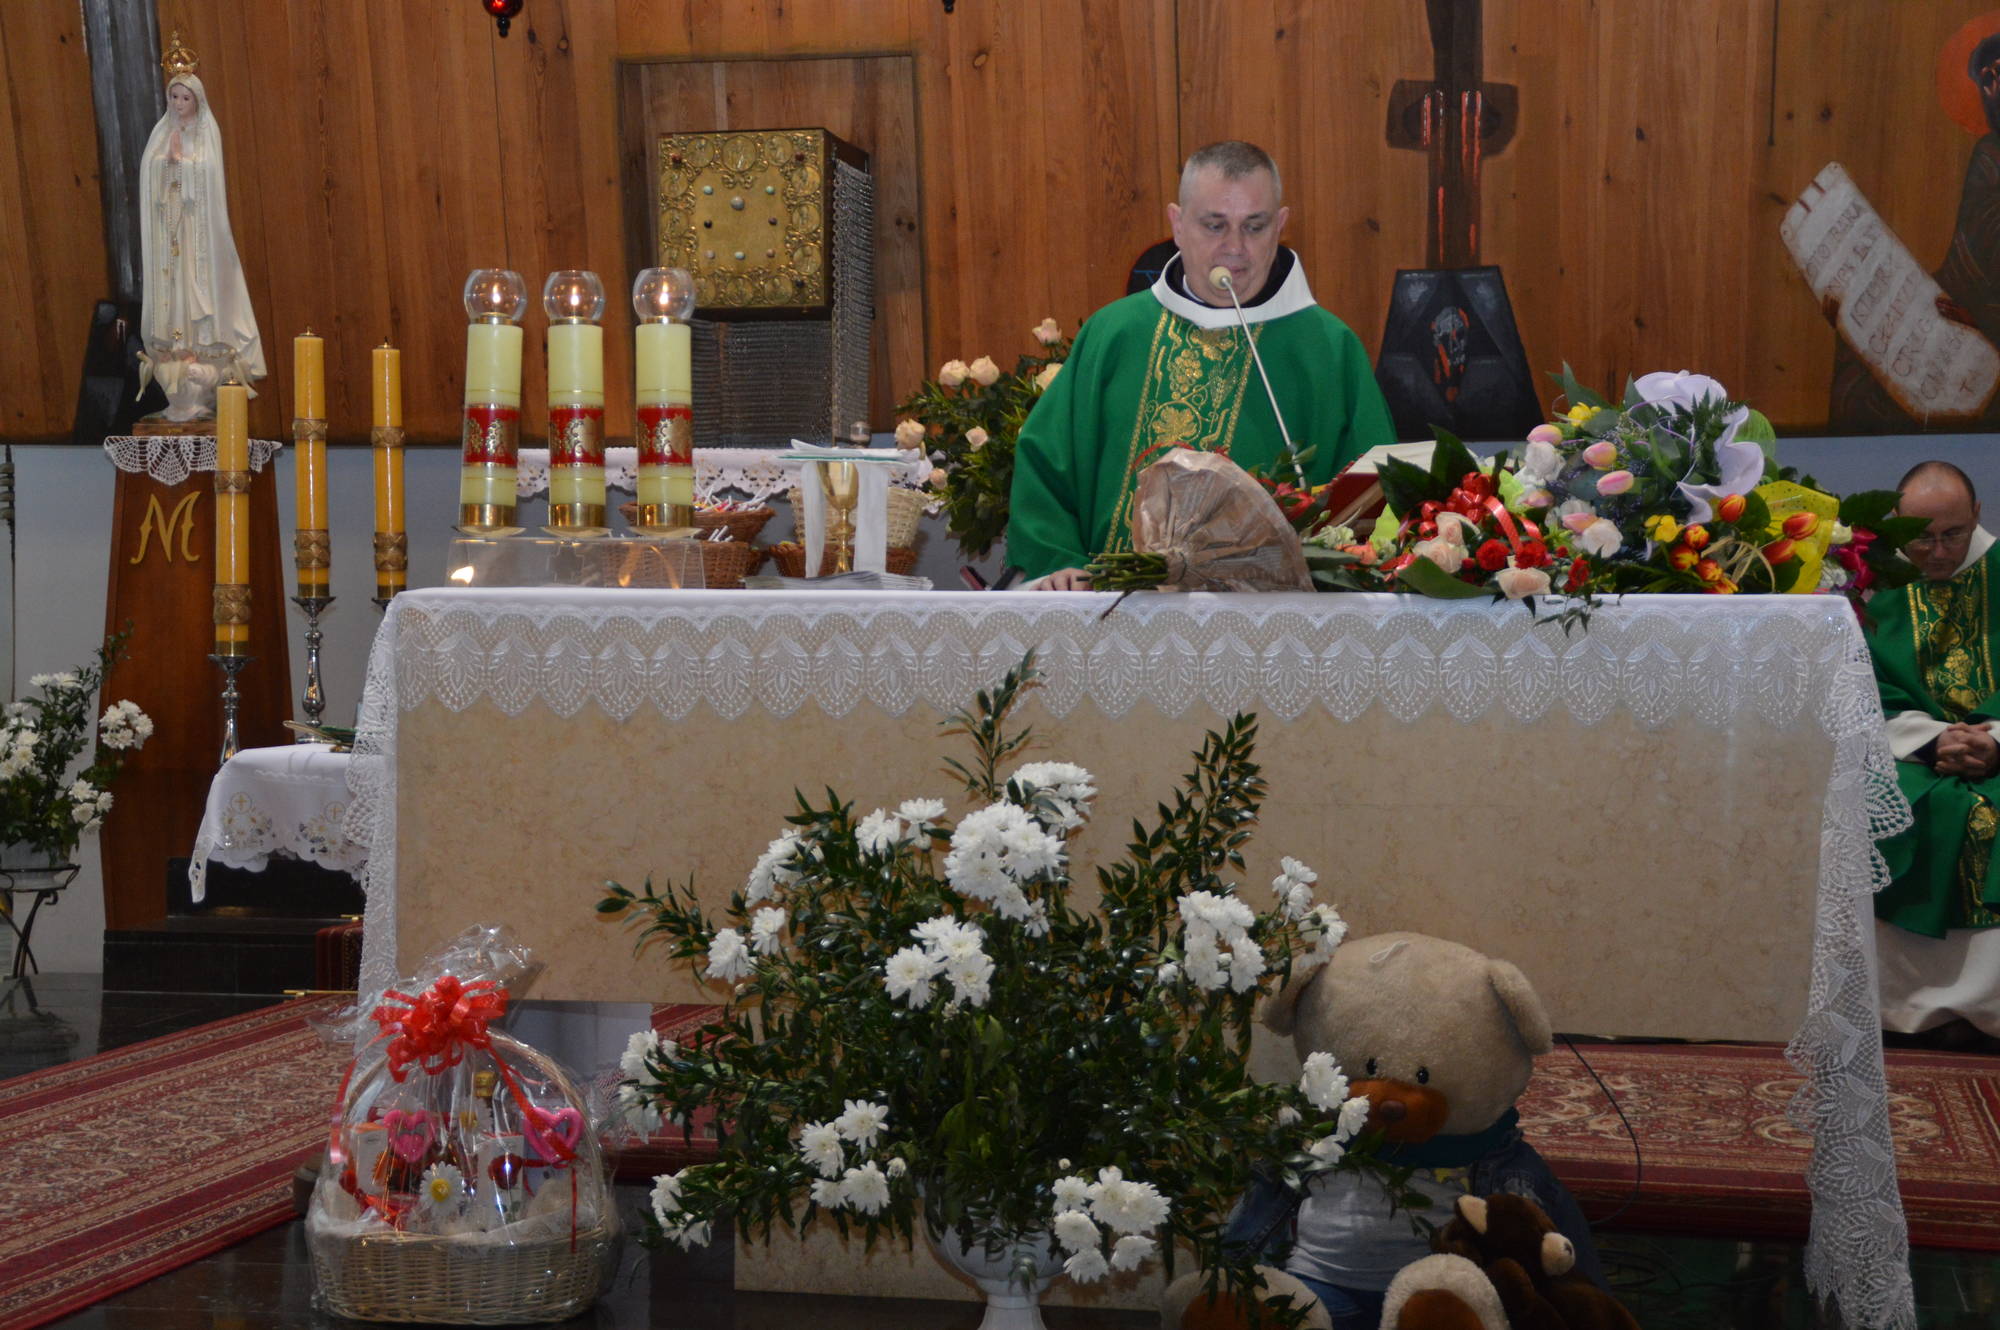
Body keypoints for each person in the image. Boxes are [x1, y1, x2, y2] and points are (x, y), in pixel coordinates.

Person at [1007, 141, 1395, 588]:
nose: (1235, 248)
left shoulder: (1327, 347)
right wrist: (1058, 565)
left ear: (1280, 226)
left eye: (1254, 226)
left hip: (1269, 619)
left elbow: (1373, 498)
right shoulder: (1114, 333)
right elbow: (1046, 467)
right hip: (1105, 611)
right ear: (1177, 224)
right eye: (1214, 225)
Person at [1866, 460, 2000, 1040]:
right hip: (1909, 751)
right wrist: (1932, 740)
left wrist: (1993, 742)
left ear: (1978, 515)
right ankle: (1899, 1007)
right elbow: (1859, 688)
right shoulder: (1873, 586)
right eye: (1921, 537)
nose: (1938, 553)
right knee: (1878, 808)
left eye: (1953, 534)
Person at [138, 45, 265, 421]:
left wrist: (183, 164)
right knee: (173, 290)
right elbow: (149, 175)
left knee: (199, 288)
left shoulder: (207, 131)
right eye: (173, 97)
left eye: (185, 98)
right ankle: (175, 359)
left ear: (197, 100)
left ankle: (203, 358)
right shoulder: (162, 133)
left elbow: (208, 174)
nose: (178, 104)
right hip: (170, 234)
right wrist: (165, 163)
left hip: (199, 236)